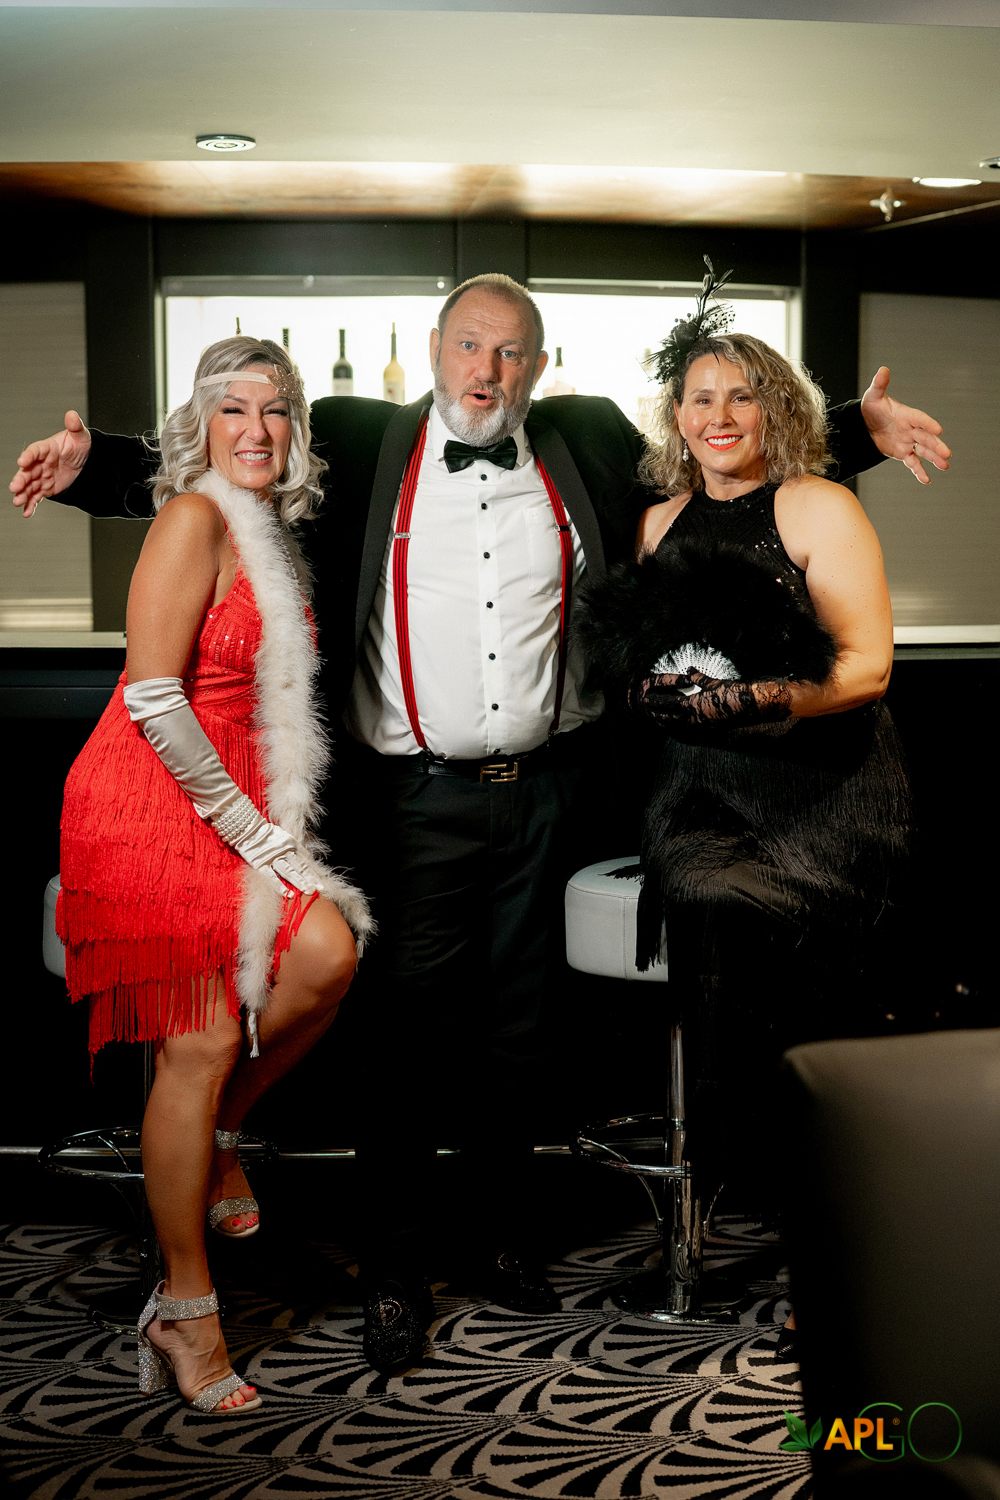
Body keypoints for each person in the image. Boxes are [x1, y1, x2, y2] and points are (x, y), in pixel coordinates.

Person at [10, 272, 948, 1373]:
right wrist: (92, 467)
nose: (485, 372)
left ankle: (504, 1241)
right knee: (404, 1035)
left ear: (538, 367)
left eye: (509, 353)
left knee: (521, 1032)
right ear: (434, 347)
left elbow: (725, 456)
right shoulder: (356, 437)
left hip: (552, 786)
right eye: (467, 346)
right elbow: (234, 455)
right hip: (410, 795)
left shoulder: (588, 438)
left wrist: (858, 431)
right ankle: (394, 1269)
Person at [55, 335, 372, 1413]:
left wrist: (260, 825)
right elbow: (154, 698)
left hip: (232, 796)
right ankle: (185, 1307)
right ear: (199, 424)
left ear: (297, 429)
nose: (256, 428)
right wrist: (252, 832)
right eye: (233, 408)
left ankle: (221, 1134)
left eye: (275, 409)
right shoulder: (191, 517)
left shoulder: (270, 530)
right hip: (150, 796)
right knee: (195, 1042)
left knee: (327, 955)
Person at [577, 265, 912, 1274]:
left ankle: (809, 1196)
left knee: (811, 969)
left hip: (828, 791)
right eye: (700, 398)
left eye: (741, 397)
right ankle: (733, 1177)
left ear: (778, 411)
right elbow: (645, 654)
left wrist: (743, 701)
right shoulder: (656, 522)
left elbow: (866, 670)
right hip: (701, 796)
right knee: (714, 903)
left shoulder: (817, 506)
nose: (719, 417)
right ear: (674, 416)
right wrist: (654, 697)